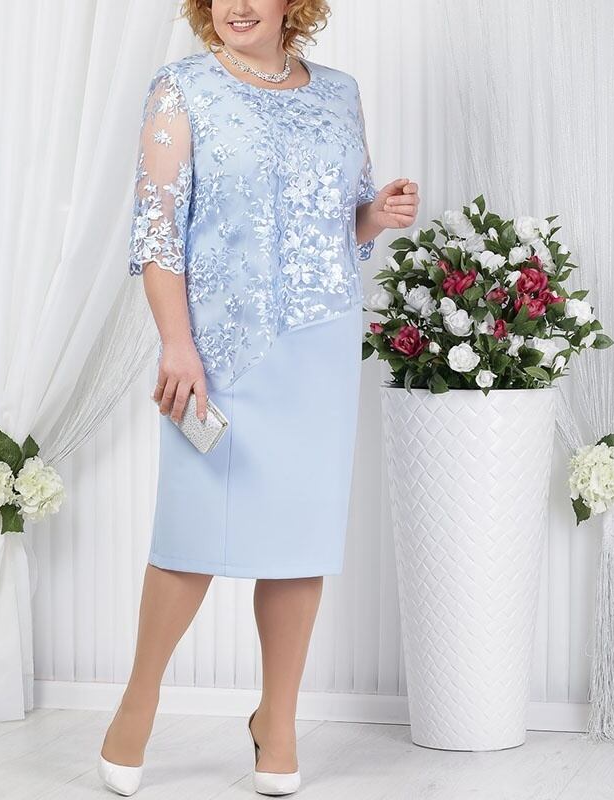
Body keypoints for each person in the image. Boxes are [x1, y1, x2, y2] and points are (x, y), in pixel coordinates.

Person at [99, 0, 419, 795]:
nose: (238, 5)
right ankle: (139, 702)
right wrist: (177, 344)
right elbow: (159, 229)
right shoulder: (181, 87)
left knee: (299, 544)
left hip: (318, 346)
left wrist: (376, 215)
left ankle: (277, 720)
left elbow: (333, 227)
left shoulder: (340, 92)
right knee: (190, 535)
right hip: (218, 350)